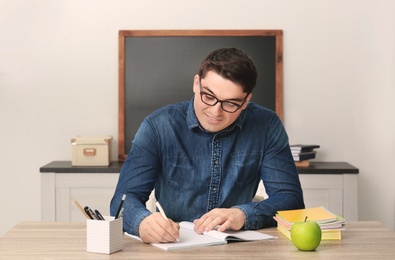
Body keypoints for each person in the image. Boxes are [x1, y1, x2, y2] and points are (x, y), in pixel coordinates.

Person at [110, 47, 304, 243]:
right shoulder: (157, 127)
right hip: (174, 246)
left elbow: (290, 200)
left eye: (230, 104)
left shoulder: (267, 125)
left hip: (238, 248)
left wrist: (243, 214)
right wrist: (142, 222)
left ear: (246, 101)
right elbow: (123, 199)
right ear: (196, 84)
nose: (215, 111)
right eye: (208, 97)